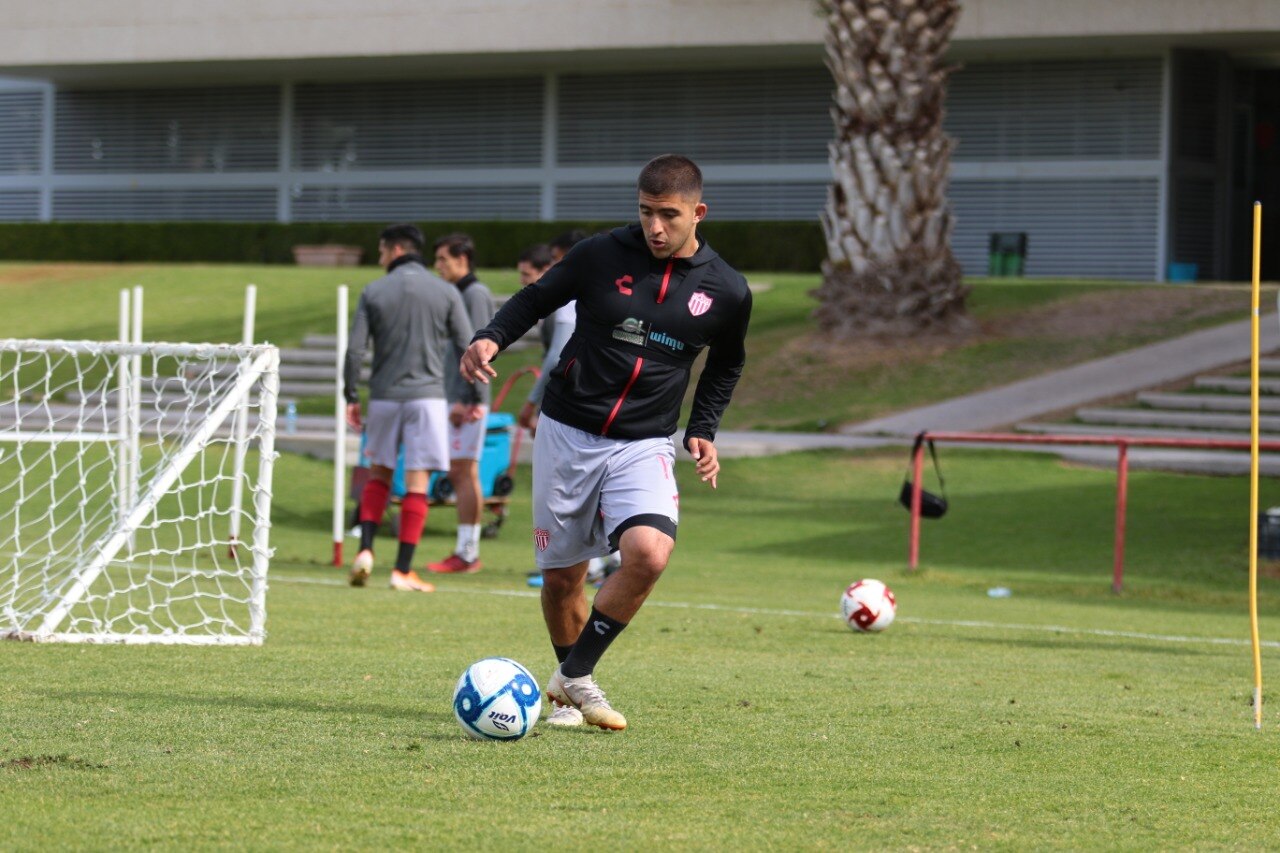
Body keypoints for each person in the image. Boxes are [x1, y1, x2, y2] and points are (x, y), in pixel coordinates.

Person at [460, 154, 753, 731]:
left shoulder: (728, 290)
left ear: (699, 213)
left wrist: (702, 429)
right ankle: (568, 689)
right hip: (567, 430)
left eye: (668, 215)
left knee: (648, 553)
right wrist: (491, 337)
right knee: (563, 578)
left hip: (643, 441)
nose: (655, 227)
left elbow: (726, 366)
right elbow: (535, 298)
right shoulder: (599, 254)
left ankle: (576, 676)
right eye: (645, 212)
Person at [345, 223, 475, 592]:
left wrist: (351, 394)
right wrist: (473, 396)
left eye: (382, 251)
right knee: (417, 482)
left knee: (378, 476)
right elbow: (467, 345)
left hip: (385, 397)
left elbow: (355, 351)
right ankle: (402, 569)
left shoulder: (373, 290)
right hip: (427, 398)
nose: (381, 258)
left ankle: (366, 549)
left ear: (396, 250)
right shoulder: (446, 291)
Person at [426, 233, 496, 575]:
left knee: (463, 472)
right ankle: (465, 550)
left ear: (462, 259)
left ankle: (468, 552)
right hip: (459, 396)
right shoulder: (460, 293)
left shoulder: (475, 294)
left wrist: (472, 399)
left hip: (467, 401)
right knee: (460, 472)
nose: (438, 266)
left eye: (443, 259)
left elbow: (481, 347)